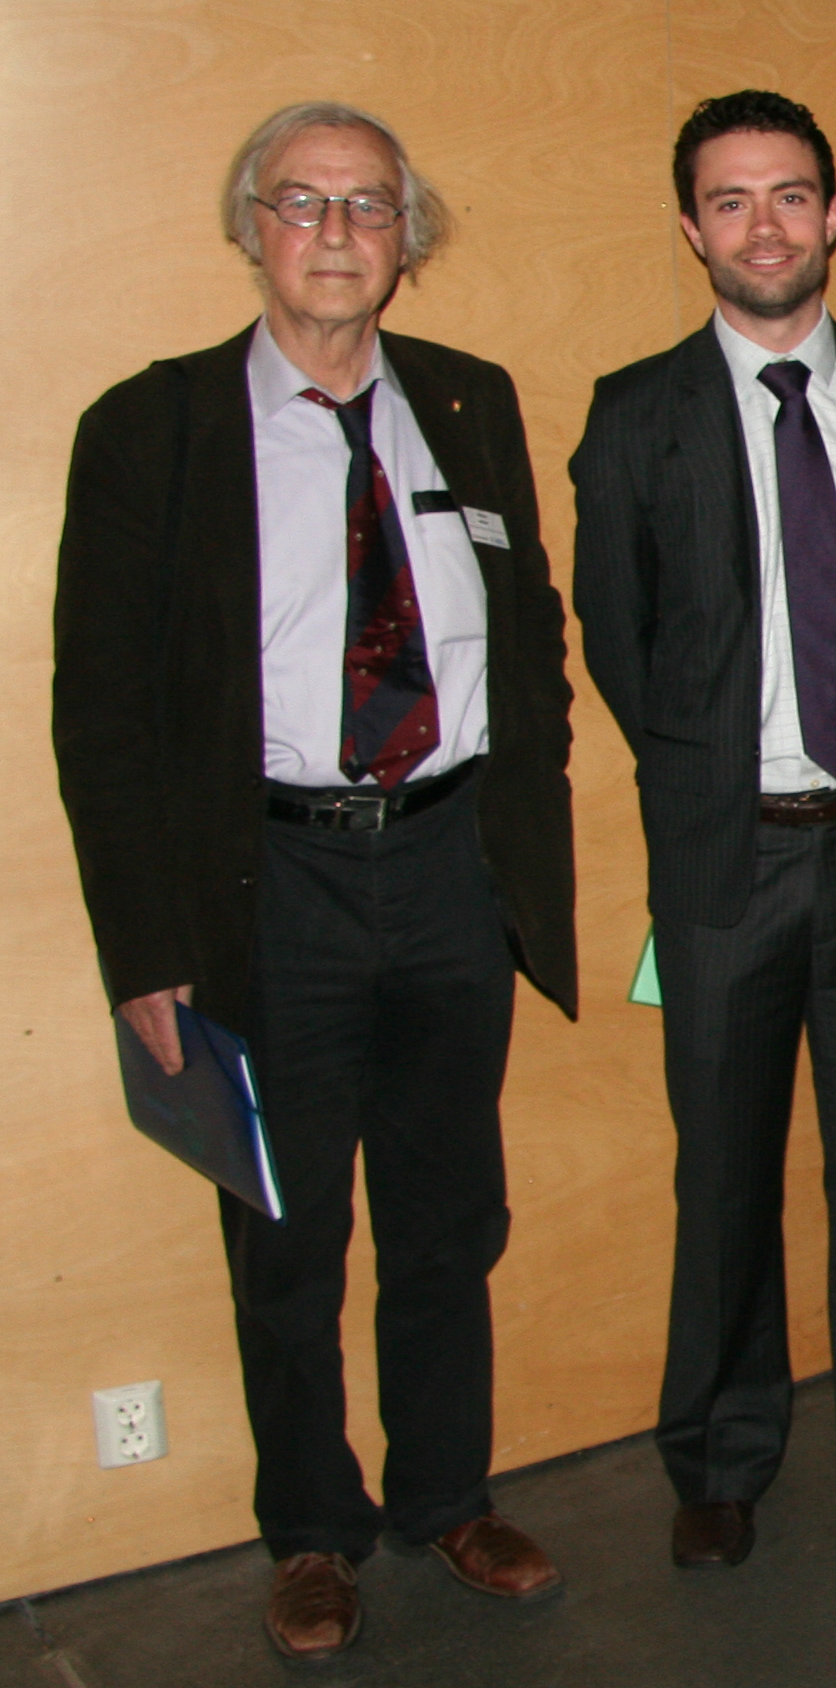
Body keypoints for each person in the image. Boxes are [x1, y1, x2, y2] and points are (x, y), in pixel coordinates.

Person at [54, 101, 577, 1662]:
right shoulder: (153, 429)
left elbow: (529, 636)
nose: (337, 233)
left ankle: (448, 1498)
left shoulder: (471, 402)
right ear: (252, 228)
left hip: (446, 868)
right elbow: (103, 715)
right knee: (285, 1237)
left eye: (368, 206)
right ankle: (310, 1532)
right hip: (268, 882)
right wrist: (146, 949)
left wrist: (517, 826)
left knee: (448, 1214)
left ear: (408, 239)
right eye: (303, 202)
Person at [570, 90, 836, 1570]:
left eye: (791, 194)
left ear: (835, 213)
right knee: (726, 1175)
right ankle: (722, 1457)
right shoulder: (636, 414)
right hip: (726, 859)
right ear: (691, 228)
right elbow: (616, 637)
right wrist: (711, 778)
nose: (765, 225)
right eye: (731, 200)